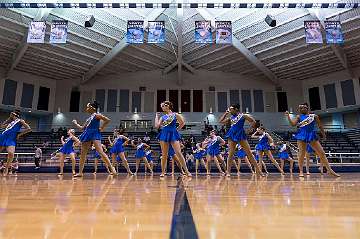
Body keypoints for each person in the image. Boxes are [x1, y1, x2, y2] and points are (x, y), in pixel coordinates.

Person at [285, 103, 339, 177]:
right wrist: (288, 116)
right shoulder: (299, 116)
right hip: (302, 135)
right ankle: (301, 171)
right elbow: (293, 124)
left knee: (322, 153)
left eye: (303, 107)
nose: (301, 109)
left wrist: (324, 135)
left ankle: (329, 170)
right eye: (300, 108)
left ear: (307, 108)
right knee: (301, 154)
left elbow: (320, 126)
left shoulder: (314, 116)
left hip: (311, 135)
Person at [72, 101, 116, 177]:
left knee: (100, 152)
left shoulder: (97, 115)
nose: (86, 108)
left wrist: (102, 128)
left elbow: (107, 120)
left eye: (88, 107)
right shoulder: (88, 119)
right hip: (87, 134)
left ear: (92, 108)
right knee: (83, 154)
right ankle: (80, 173)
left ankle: (112, 168)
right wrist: (76, 123)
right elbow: (82, 128)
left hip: (95, 133)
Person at [219, 104, 263, 177]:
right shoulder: (231, 117)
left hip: (240, 134)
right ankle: (228, 172)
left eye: (231, 109)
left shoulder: (243, 116)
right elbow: (221, 121)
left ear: (236, 109)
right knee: (230, 154)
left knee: (249, 154)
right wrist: (225, 113)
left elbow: (253, 121)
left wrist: (249, 130)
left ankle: (259, 171)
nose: (230, 110)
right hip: (232, 134)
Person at [155, 101, 191, 177]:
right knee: (164, 154)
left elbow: (182, 123)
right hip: (164, 134)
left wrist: (176, 130)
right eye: (162, 106)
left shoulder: (175, 115)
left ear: (168, 106)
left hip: (173, 134)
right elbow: (157, 126)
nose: (162, 108)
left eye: (163, 106)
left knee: (178, 153)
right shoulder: (162, 117)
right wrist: (156, 116)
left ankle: (186, 171)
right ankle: (162, 172)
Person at [0, 109, 31, 176]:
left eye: (11, 114)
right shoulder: (10, 122)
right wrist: (9, 119)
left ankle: (6, 168)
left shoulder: (20, 121)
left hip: (11, 139)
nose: (10, 115)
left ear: (14, 114)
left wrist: (19, 135)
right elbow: (2, 126)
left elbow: (29, 128)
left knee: (11, 153)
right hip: (3, 136)